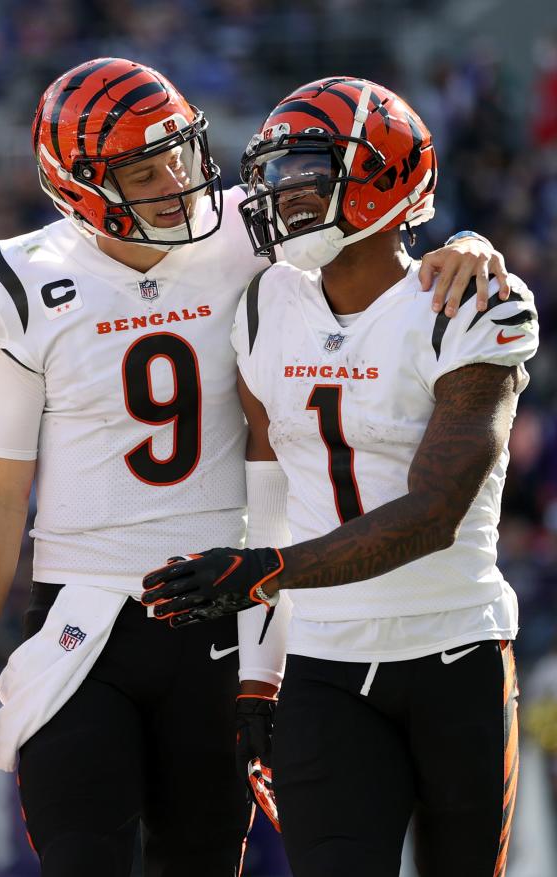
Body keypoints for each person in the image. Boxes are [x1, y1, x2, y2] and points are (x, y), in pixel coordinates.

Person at [0, 57, 508, 877]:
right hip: (83, 612)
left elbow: (375, 227)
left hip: (222, 596)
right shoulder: (22, 280)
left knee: (202, 861)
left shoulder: (247, 223)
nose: (174, 180)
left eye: (179, 152)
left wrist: (469, 245)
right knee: (80, 855)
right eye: (142, 167)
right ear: (81, 183)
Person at [142, 76, 539, 877]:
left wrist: (263, 575)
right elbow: (272, 498)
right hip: (324, 666)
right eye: (275, 177)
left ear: (383, 178)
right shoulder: (262, 308)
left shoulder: (470, 304)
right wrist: (260, 676)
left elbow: (432, 513)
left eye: (307, 175)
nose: (282, 197)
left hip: (454, 648)